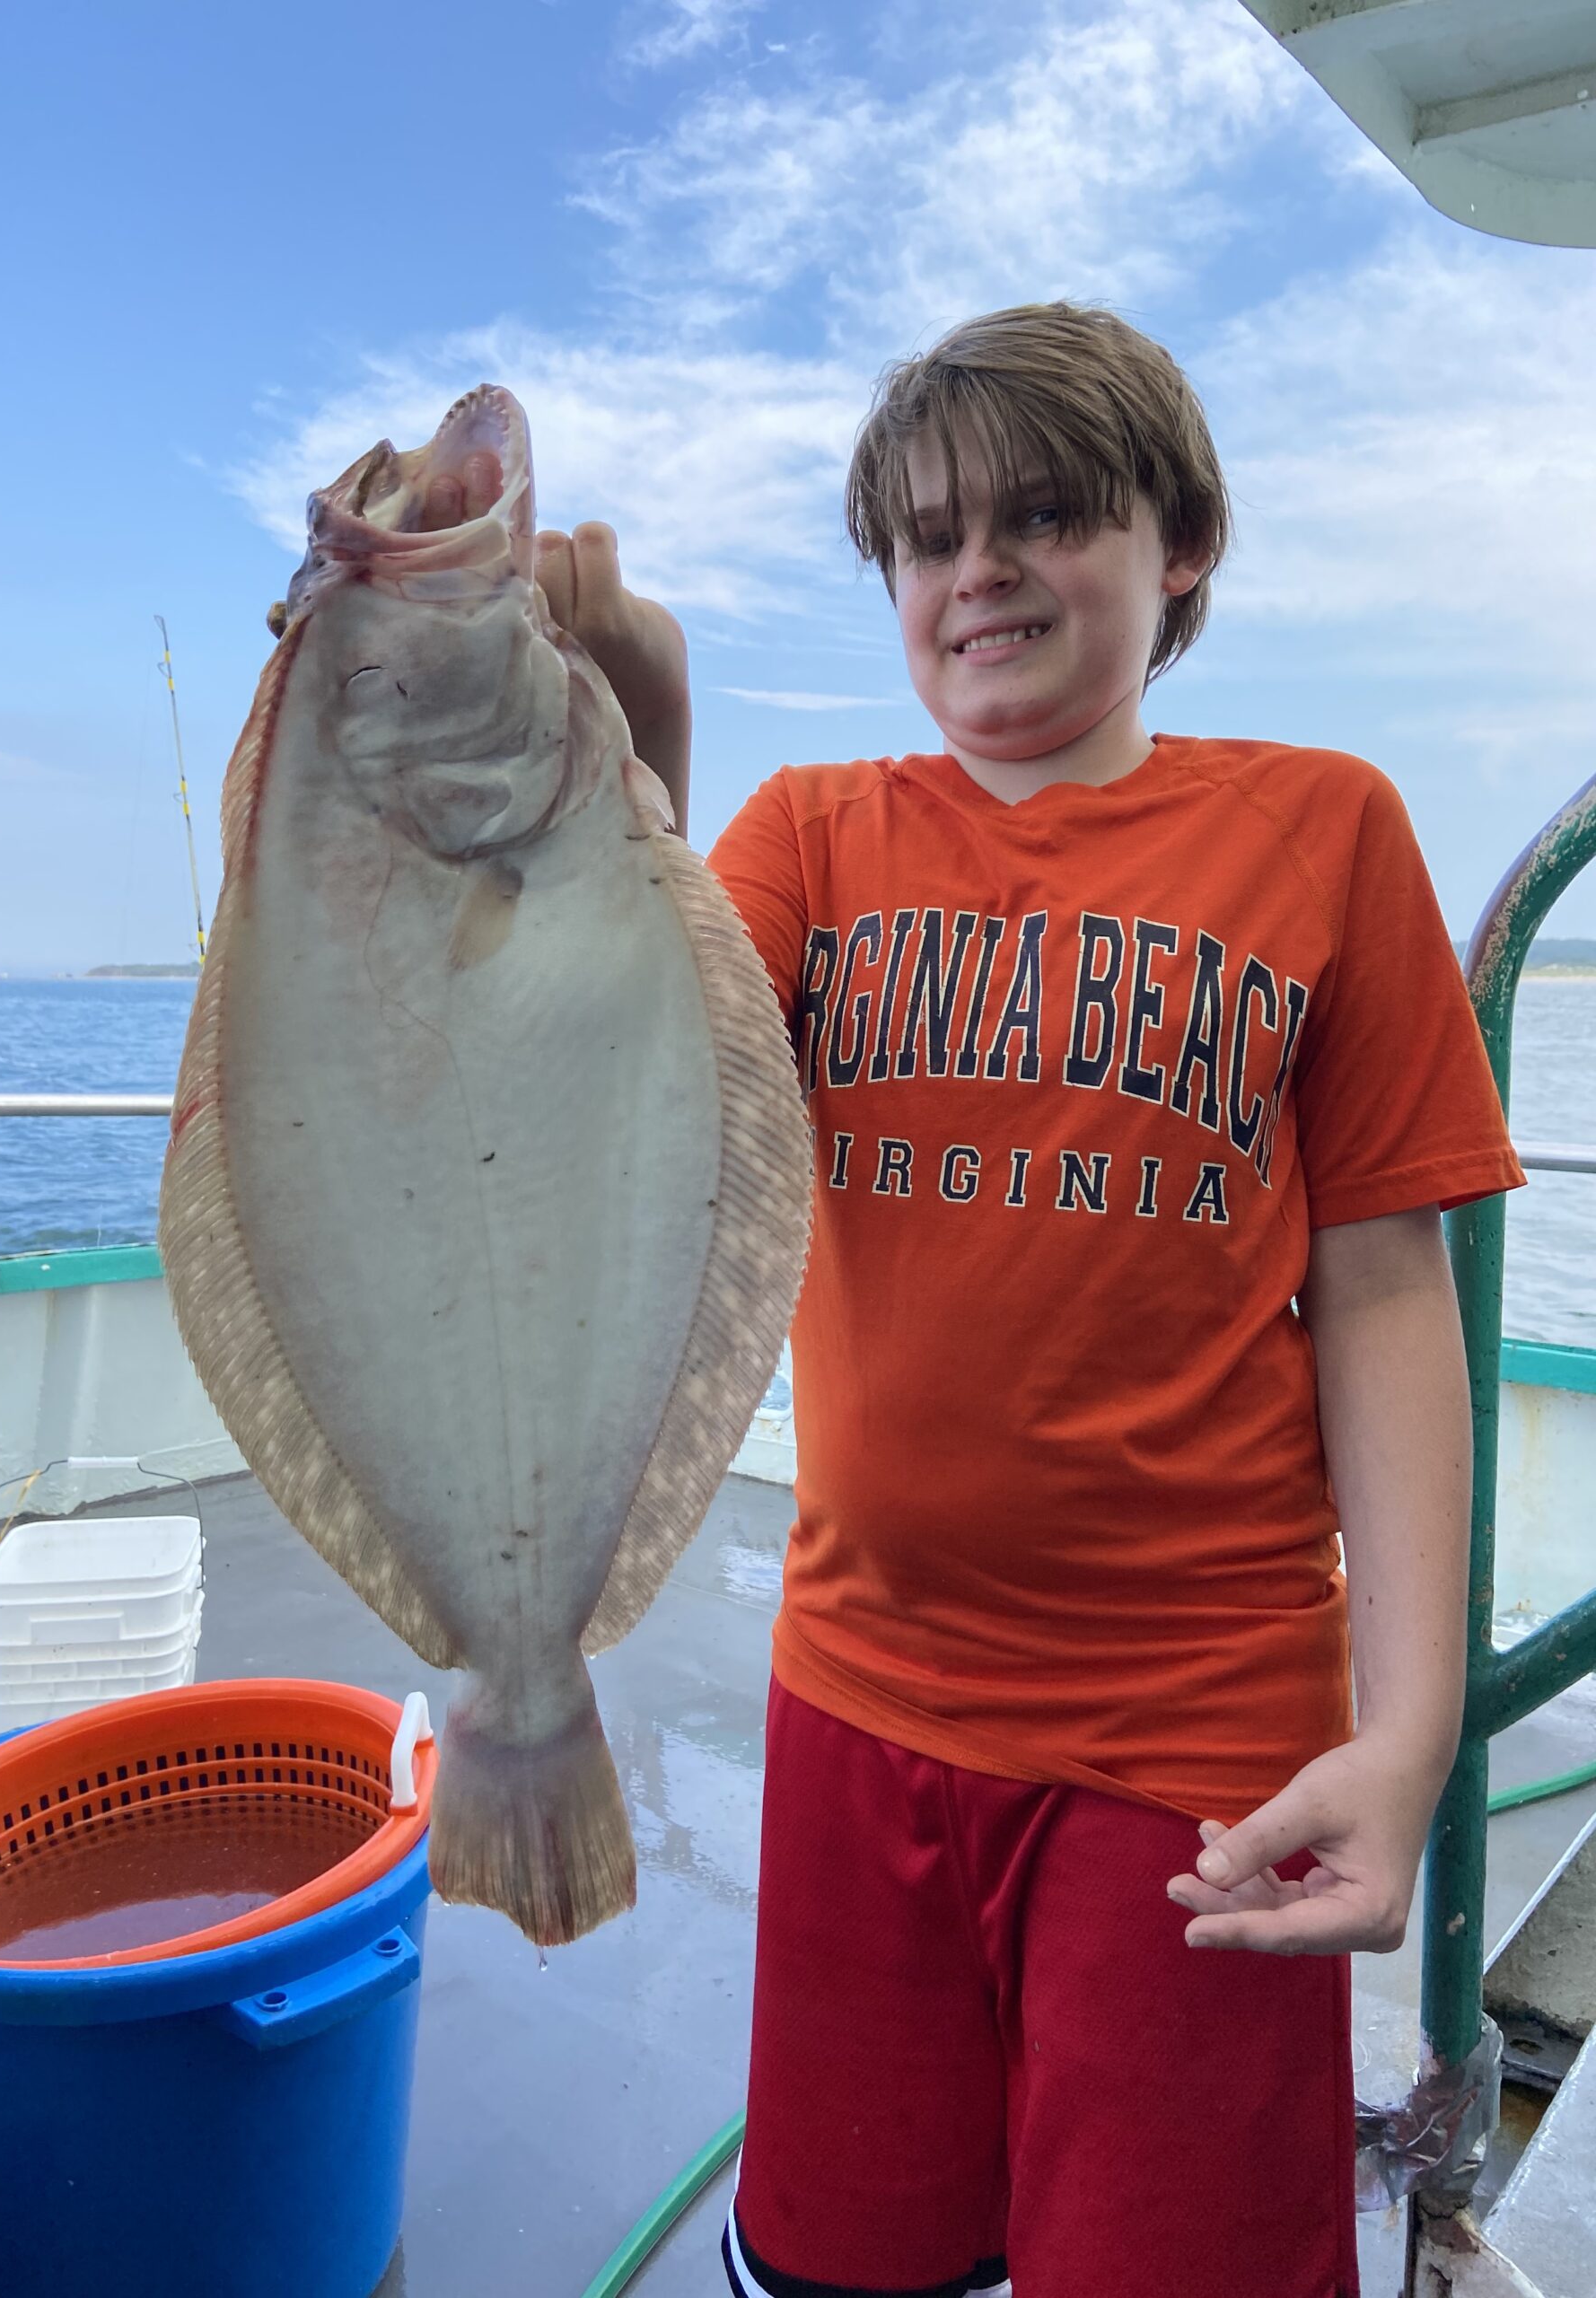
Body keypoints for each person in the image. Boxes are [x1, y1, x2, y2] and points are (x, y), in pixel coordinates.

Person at [536, 301, 1524, 2298]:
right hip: (858, 1699)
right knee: (844, 2258)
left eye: (1046, 512)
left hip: (1197, 1747)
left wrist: (1407, 1730)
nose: (975, 569)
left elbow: (1389, 1291)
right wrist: (638, 756)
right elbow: (628, 1060)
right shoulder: (816, 830)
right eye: (923, 535)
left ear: (1182, 550)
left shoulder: (1325, 825)